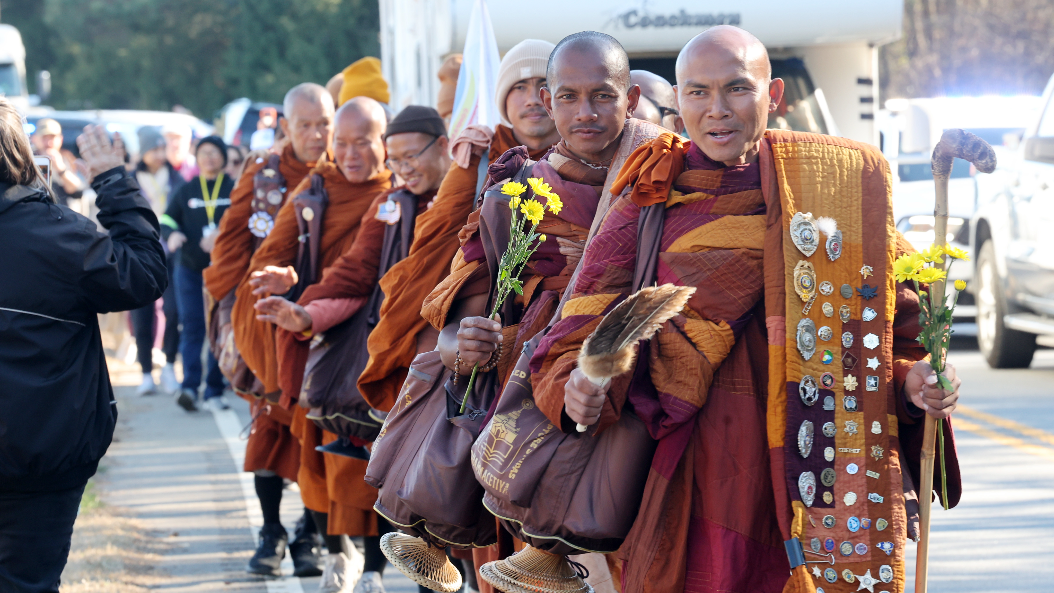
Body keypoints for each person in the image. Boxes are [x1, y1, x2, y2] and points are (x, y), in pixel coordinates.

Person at [529, 26, 963, 592]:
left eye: (737, 88)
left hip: (819, 465)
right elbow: (577, 328)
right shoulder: (651, 193)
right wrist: (576, 387)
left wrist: (914, 381)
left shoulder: (836, 188)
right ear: (677, 99)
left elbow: (895, 329)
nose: (717, 110)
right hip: (688, 471)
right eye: (698, 92)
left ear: (773, 94)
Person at [416, 31, 664, 590]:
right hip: (518, 401)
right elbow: (459, 318)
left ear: (630, 100)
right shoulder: (516, 189)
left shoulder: (659, 177)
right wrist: (465, 345)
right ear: (552, 104)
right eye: (568, 97)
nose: (586, 113)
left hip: (626, 395)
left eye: (602, 96)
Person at [256, 105, 453, 593]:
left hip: (457, 359)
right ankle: (358, 560)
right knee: (393, 474)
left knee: (447, 479)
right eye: (397, 158)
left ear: (444, 147)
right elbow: (355, 272)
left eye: (410, 156)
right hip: (389, 361)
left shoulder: (472, 196)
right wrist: (305, 311)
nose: (403, 168)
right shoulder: (386, 203)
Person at [0, 108, 167, 592]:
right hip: (42, 455)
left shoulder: (55, 231)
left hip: (43, 456)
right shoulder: (56, 233)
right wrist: (113, 181)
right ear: (21, 156)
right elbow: (144, 274)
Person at [232, 97, 392, 593]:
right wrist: (289, 279)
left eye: (361, 142)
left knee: (378, 457)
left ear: (383, 143)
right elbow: (270, 254)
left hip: (378, 339)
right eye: (340, 141)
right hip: (314, 338)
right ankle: (335, 551)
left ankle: (374, 567)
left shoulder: (400, 192)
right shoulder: (316, 188)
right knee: (316, 455)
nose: (349, 152)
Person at [204, 82, 335, 579]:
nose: (317, 135)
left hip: (327, 319)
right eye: (305, 125)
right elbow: (230, 246)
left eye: (324, 124)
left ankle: (309, 534)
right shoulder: (264, 173)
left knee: (319, 431)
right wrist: (238, 310)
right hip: (265, 321)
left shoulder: (344, 169)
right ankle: (270, 530)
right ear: (285, 126)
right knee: (269, 426)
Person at [163, 135, 233, 411]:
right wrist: (172, 234)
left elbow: (248, 220)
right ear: (197, 158)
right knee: (192, 327)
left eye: (214, 152)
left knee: (218, 329)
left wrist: (221, 233)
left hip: (224, 271)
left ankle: (214, 391)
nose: (209, 158)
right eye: (203, 153)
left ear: (223, 157)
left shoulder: (235, 188)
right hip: (190, 270)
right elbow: (166, 219)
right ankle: (189, 387)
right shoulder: (187, 189)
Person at [132, 126, 185, 395]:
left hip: (172, 254)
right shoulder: (130, 180)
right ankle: (145, 372)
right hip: (140, 253)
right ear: (143, 151)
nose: (159, 153)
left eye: (162, 148)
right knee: (142, 315)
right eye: (153, 149)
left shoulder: (176, 178)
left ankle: (170, 365)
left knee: (174, 311)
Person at [30, 118, 87, 208]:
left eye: (52, 138)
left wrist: (61, 169)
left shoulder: (67, 158)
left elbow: (77, 192)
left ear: (60, 139)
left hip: (60, 210)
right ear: (35, 139)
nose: (48, 143)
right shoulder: (28, 159)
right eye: (44, 138)